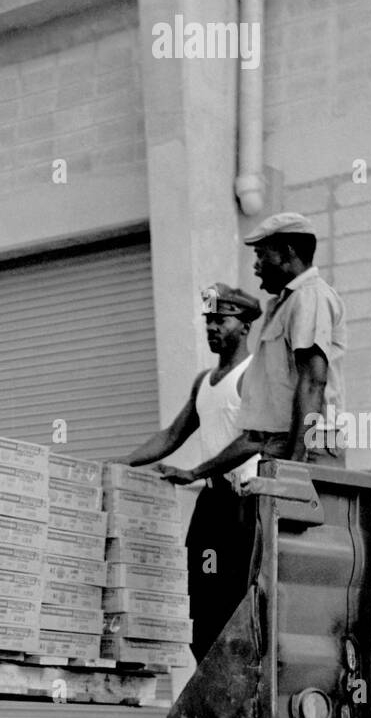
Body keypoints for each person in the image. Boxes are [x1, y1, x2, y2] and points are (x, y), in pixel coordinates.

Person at [120, 282, 264, 662]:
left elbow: (253, 440)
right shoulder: (204, 381)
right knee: (200, 601)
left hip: (245, 506)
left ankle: (240, 703)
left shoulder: (254, 375)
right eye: (209, 321)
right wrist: (123, 463)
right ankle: (211, 696)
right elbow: (172, 434)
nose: (213, 328)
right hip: (214, 504)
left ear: (245, 326)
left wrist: (194, 471)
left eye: (222, 320)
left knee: (235, 602)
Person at [165, 213, 347, 484]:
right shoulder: (285, 304)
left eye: (262, 256)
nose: (256, 267)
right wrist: (195, 474)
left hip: (306, 451)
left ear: (287, 252)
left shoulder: (310, 297)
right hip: (283, 450)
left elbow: (312, 383)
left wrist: (293, 471)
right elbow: (257, 435)